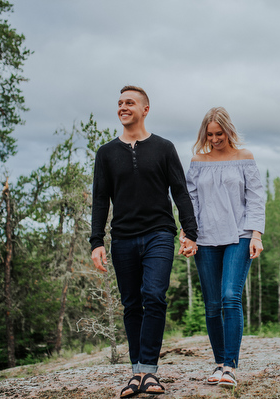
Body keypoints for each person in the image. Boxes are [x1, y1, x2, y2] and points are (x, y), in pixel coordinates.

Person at [90, 85, 198, 398]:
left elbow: (180, 191)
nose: (123, 107)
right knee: (131, 304)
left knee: (154, 294)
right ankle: (137, 373)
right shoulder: (107, 153)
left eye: (130, 103)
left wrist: (189, 231)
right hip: (122, 237)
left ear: (145, 109)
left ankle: (149, 371)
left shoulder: (164, 148)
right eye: (120, 102)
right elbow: (100, 200)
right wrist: (97, 241)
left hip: (159, 233)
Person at [179, 106, 266, 388]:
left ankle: (230, 365)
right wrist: (187, 235)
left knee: (230, 296)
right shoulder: (197, 161)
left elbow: (255, 198)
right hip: (205, 239)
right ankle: (218, 363)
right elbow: (190, 201)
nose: (215, 139)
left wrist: (256, 235)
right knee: (213, 303)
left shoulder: (245, 158)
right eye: (210, 134)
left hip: (239, 235)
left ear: (229, 131)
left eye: (220, 134)